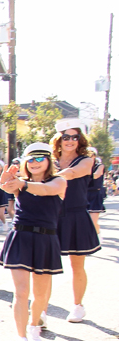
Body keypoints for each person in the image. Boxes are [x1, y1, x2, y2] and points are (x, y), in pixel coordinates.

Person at [0, 143, 66, 341]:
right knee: (21, 292)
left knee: (40, 293)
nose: (35, 163)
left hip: (45, 239)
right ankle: (21, 337)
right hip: (21, 236)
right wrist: (4, 181)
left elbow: (45, 190)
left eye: (40, 159)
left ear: (48, 161)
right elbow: (6, 187)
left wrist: (21, 183)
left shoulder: (59, 181)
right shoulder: (20, 183)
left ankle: (34, 325)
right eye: (31, 159)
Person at [52, 118, 99, 323]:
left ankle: (78, 306)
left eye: (74, 137)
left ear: (80, 140)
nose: (70, 141)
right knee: (44, 266)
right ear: (59, 139)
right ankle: (40, 310)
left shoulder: (86, 160)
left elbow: (71, 174)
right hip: (51, 215)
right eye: (66, 137)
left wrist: (45, 176)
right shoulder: (49, 160)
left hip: (76, 215)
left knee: (76, 264)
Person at [87, 148, 105, 235]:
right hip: (84, 194)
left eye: (90, 155)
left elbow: (96, 175)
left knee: (93, 222)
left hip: (95, 195)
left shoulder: (99, 166)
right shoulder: (83, 166)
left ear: (94, 156)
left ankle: (97, 237)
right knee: (85, 222)